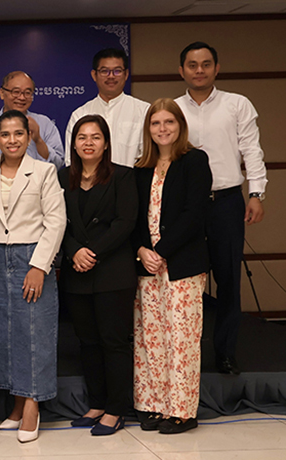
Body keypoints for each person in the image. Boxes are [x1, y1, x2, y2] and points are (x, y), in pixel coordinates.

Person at [175, 41, 267, 375]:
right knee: (186, 285)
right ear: (181, 70)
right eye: (192, 64)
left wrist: (256, 193)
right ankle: (187, 357)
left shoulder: (237, 104)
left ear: (216, 68)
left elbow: (252, 151)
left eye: (206, 64)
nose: (199, 70)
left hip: (227, 203)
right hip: (185, 208)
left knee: (228, 281)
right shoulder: (172, 108)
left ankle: (225, 353)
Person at [0, 110, 65, 443]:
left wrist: (40, 266)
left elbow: (56, 221)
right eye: (5, 134)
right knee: (4, 333)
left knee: (35, 332)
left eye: (19, 134)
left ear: (28, 137)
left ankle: (32, 406)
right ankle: (15, 404)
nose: (12, 140)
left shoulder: (43, 171)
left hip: (32, 257)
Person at [133, 98, 212, 435]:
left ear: (180, 126)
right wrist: (141, 250)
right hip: (148, 265)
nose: (162, 129)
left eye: (169, 122)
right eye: (155, 123)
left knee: (180, 338)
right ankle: (153, 405)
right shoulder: (140, 168)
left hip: (181, 263)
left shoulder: (194, 161)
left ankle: (181, 410)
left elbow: (195, 214)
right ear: (148, 129)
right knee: (150, 338)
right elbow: (133, 217)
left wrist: (161, 250)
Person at [58, 114, 138, 436]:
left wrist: (93, 252)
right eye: (82, 137)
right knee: (87, 342)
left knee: (113, 342)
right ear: (73, 144)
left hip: (112, 272)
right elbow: (56, 221)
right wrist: (74, 250)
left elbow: (125, 222)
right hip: (77, 272)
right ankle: (97, 403)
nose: (88, 143)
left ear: (106, 143)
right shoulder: (63, 177)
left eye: (95, 137)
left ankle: (116, 409)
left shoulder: (123, 176)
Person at [65, 48, 149, 168]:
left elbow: (149, 155)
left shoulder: (143, 110)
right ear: (94, 75)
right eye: (104, 71)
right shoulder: (80, 114)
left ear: (126, 74)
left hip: (132, 183)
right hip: (90, 185)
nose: (111, 76)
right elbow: (71, 160)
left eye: (117, 71)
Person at [0, 71, 64, 168]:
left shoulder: (44, 124)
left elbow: (58, 164)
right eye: (16, 92)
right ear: (2, 93)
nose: (22, 97)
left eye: (27, 93)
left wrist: (38, 140)